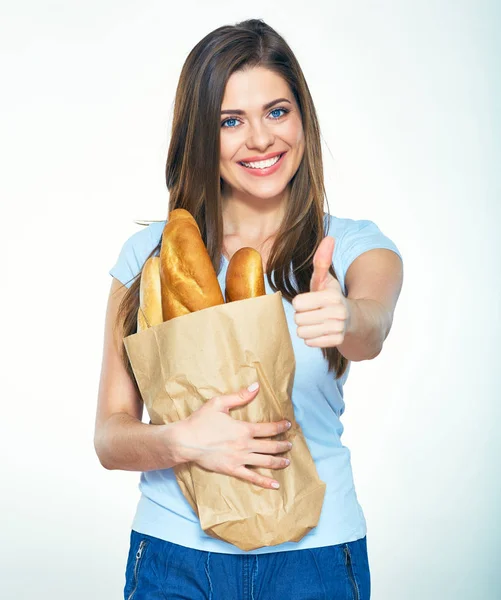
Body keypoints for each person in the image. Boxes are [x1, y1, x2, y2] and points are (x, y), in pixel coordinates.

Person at [94, 18, 403, 600]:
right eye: (230, 121)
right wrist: (183, 441)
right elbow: (110, 436)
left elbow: (372, 327)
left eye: (277, 112)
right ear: (200, 138)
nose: (260, 139)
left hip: (315, 558)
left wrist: (347, 317)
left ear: (303, 120)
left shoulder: (354, 247)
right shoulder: (147, 258)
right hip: (173, 556)